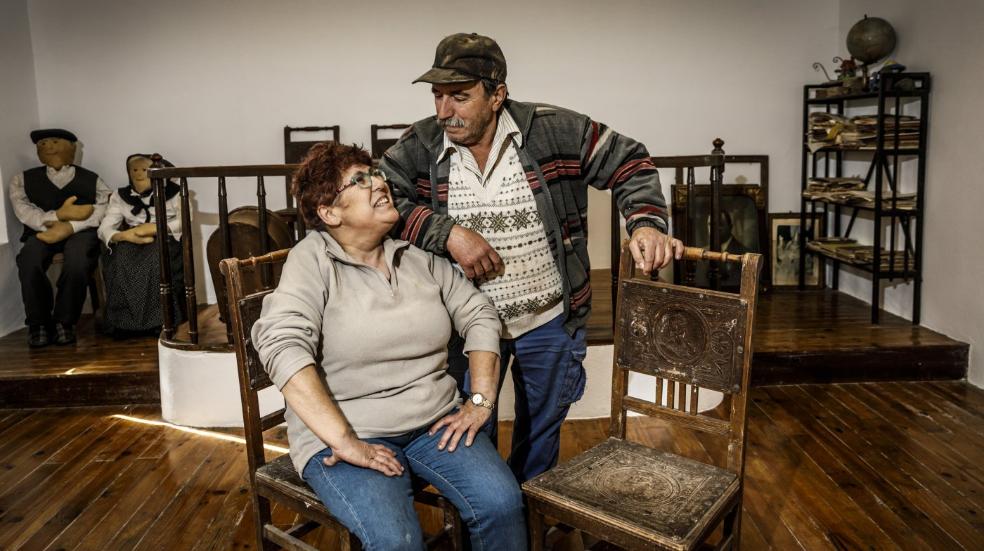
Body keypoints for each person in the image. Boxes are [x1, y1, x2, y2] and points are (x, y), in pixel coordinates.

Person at [379, 33, 684, 482]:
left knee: (539, 441)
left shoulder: (554, 129)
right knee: (468, 442)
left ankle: (528, 513)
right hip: (462, 328)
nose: (444, 111)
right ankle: (490, 515)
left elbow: (630, 162)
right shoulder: (421, 143)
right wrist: (448, 234)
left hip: (549, 322)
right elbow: (380, 200)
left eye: (459, 97)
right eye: (438, 96)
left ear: (497, 95)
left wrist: (645, 223)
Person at [251, 142, 526, 551]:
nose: (379, 182)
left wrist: (481, 401)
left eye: (376, 173)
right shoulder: (312, 260)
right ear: (330, 213)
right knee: (398, 542)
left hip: (434, 422)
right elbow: (281, 344)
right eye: (359, 180)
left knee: (502, 504)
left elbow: (479, 313)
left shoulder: (415, 257)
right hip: (350, 431)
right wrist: (344, 440)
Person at [10, 129, 110, 347]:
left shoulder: (92, 179)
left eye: (55, 142)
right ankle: (38, 322)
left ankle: (64, 321)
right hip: (41, 232)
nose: (49, 147)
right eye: (43, 144)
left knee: (78, 260)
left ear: (72, 148)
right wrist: (56, 217)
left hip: (81, 232)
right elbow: (23, 209)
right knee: (28, 260)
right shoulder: (22, 179)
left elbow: (103, 207)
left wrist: (71, 226)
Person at [97, 154, 185, 336]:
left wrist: (156, 228)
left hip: (163, 237)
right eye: (134, 170)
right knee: (119, 260)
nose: (138, 174)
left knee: (155, 260)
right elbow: (105, 227)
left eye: (144, 170)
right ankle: (124, 322)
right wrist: (123, 235)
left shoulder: (175, 192)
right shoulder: (120, 196)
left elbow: (184, 220)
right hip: (131, 238)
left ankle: (159, 320)